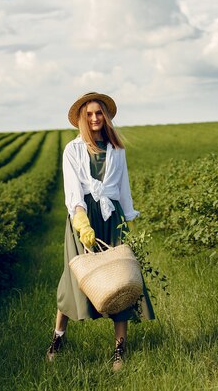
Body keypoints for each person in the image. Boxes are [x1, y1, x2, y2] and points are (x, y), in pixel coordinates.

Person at [46, 92, 155, 371]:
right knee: (75, 278)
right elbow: (73, 190)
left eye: (99, 113)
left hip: (111, 217)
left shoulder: (116, 149)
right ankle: (58, 336)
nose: (95, 118)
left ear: (105, 117)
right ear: (82, 118)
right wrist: (82, 224)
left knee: (121, 277)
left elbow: (122, 187)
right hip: (83, 217)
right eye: (90, 114)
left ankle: (120, 348)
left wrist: (127, 218)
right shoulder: (73, 150)